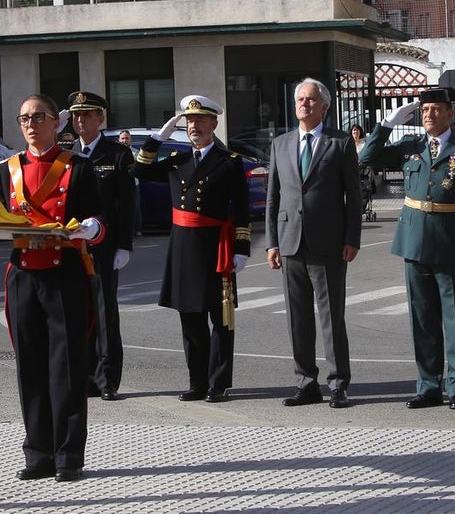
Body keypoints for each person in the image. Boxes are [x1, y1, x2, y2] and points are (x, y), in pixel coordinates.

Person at [359, 88, 455, 410]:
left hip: (453, 244)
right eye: (425, 110)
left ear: (450, 114)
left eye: (436, 109)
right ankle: (428, 386)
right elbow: (366, 158)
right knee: (422, 321)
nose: (429, 115)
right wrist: (388, 123)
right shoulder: (411, 148)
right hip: (415, 243)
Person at [0, 94, 104, 483]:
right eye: (24, 117)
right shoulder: (6, 169)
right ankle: (37, 453)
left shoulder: (78, 167)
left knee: (69, 368)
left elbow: (101, 216)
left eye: (38, 116)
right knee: (31, 366)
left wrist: (92, 227)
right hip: (24, 273)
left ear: (55, 122)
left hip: (65, 273)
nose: (30, 124)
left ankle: (69, 455)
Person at [133, 95, 250, 403]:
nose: (194, 126)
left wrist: (242, 248)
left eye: (200, 120)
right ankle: (197, 382)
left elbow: (240, 208)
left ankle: (218, 383)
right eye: (189, 121)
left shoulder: (229, 162)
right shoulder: (177, 160)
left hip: (215, 248)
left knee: (220, 320)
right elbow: (140, 170)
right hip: (183, 248)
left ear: (214, 123)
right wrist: (158, 138)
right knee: (190, 321)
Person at [266, 79, 362, 409]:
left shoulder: (340, 143)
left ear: (324, 107)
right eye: (300, 99)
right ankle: (306, 382)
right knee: (297, 317)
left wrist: (352, 238)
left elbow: (354, 195)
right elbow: (273, 197)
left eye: (311, 100)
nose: (304, 104)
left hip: (329, 243)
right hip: (291, 241)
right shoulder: (280, 144)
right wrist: (272, 243)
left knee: (331, 317)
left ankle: (338, 384)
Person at [68, 91, 136, 401]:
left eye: (87, 114)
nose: (80, 120)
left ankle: (107, 379)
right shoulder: (67, 155)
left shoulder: (117, 155)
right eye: (76, 115)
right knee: (78, 310)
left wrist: (124, 244)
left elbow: (126, 204)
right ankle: (85, 377)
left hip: (105, 246)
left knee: (105, 311)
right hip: (73, 246)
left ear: (101, 119)